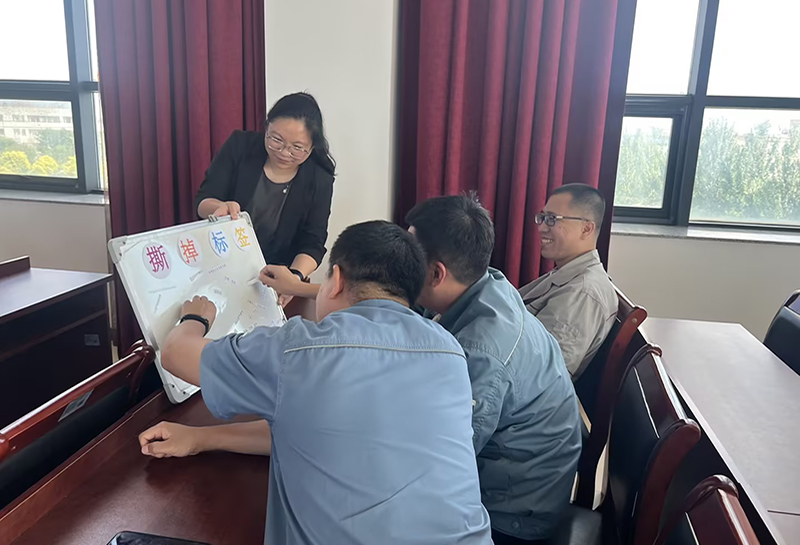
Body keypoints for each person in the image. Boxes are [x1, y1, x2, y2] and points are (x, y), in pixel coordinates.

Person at [140, 220, 492, 545]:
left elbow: (175, 354)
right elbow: (313, 428)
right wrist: (202, 439)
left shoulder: (301, 350)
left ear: (335, 280)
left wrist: (195, 318)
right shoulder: (449, 351)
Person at [260, 196, 581, 543]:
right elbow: (378, 297)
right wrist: (300, 287)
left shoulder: (480, 353)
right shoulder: (480, 284)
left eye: (409, 256)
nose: (398, 262)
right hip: (505, 474)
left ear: (436, 273)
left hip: (509, 514)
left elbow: (434, 459)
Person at [194, 92, 335, 305]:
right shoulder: (240, 146)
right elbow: (203, 200)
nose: (284, 152)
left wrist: (294, 278)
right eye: (276, 139)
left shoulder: (319, 179)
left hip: (276, 277)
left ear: (312, 147)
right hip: (220, 264)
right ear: (267, 127)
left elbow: (313, 242)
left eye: (297, 148)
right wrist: (219, 208)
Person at [518, 183, 617, 380]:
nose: (541, 228)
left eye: (552, 219)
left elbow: (542, 376)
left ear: (586, 229)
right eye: (542, 218)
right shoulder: (566, 273)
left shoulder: (582, 293)